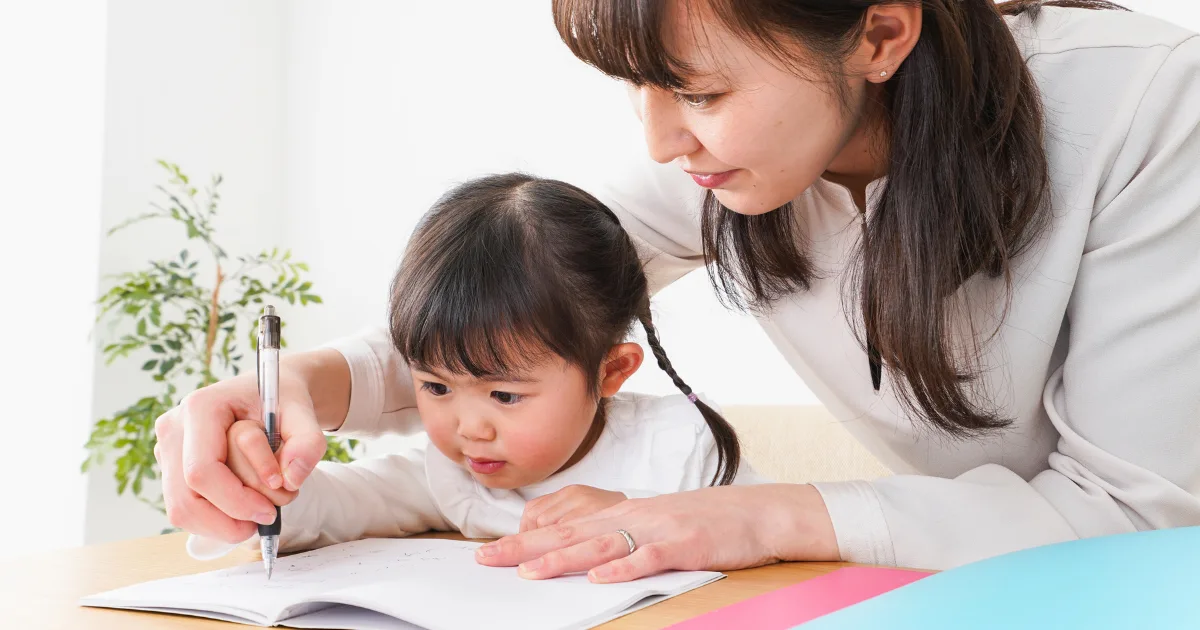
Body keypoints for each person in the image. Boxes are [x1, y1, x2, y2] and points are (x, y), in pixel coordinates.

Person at [154, 0, 1200, 583]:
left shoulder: (1148, 107)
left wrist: (752, 518)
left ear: (882, 31)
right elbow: (526, 314)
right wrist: (301, 386)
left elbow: (1141, 518)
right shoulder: (727, 160)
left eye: (699, 91)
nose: (659, 140)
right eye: (642, 89)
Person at [182, 173, 763, 562]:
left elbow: (771, 539)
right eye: (435, 386)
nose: (468, 427)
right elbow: (346, 503)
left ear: (611, 372)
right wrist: (256, 483)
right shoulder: (457, 470)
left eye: (505, 396)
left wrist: (641, 515)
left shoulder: (678, 446)